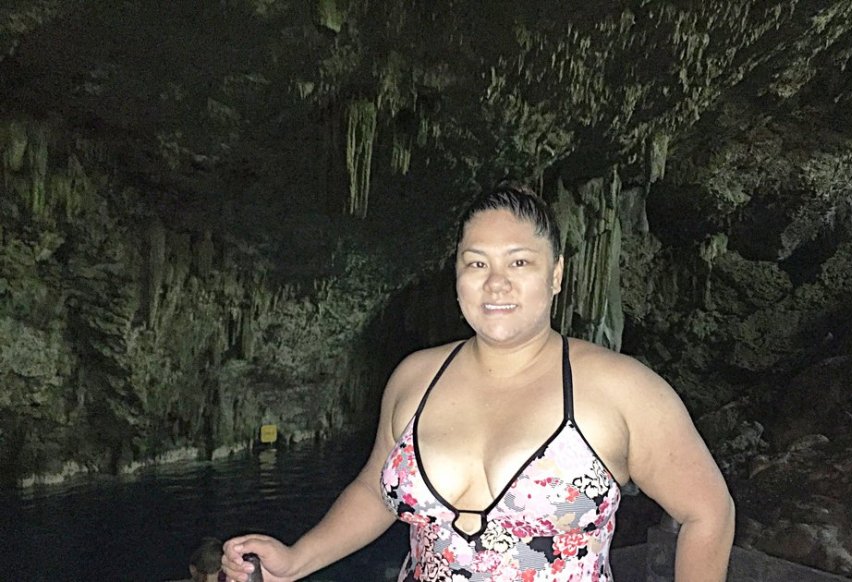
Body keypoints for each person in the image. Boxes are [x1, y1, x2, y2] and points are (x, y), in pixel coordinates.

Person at [222, 181, 735, 581]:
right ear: (458, 276)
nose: (496, 283)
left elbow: (707, 512)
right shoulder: (415, 378)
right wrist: (296, 559)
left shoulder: (621, 389)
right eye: (477, 263)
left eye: (519, 261)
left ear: (555, 274)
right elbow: (377, 492)